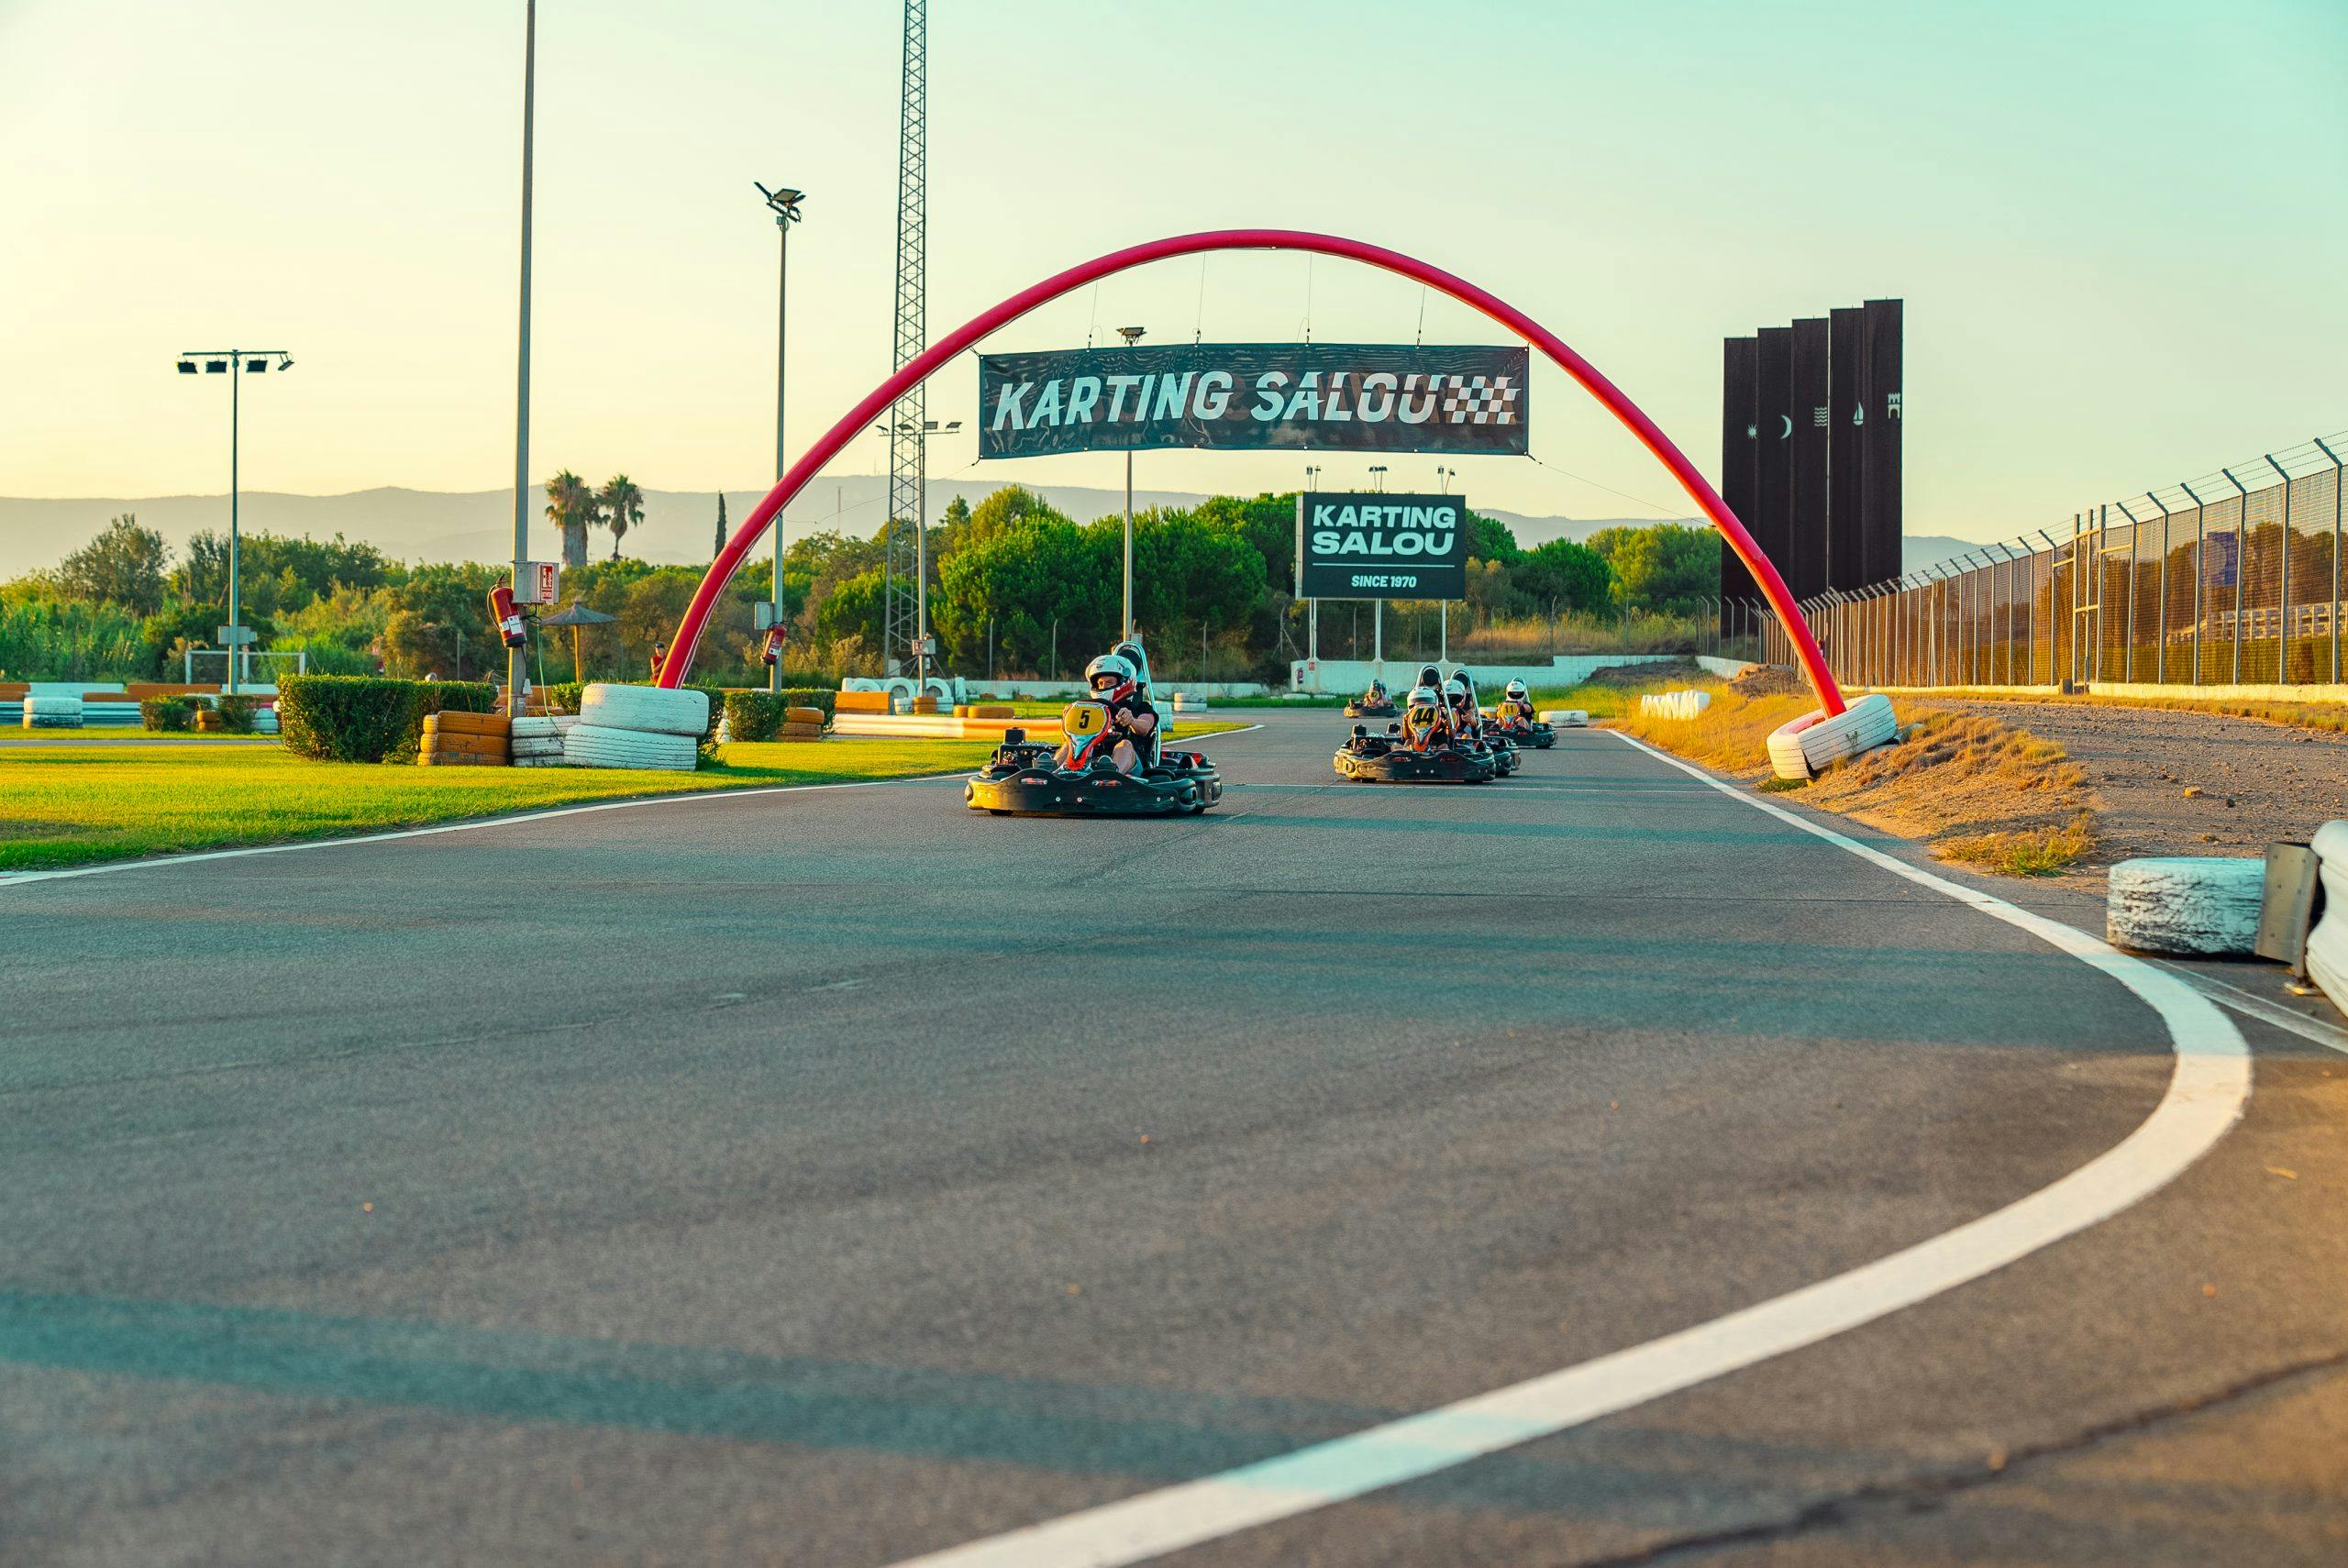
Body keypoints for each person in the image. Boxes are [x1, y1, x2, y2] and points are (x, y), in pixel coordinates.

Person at [1079, 649, 1159, 772]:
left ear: (1123, 682)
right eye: (1100, 683)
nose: (1103, 687)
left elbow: (1145, 727)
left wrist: (1132, 721)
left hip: (1131, 766)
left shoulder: (1140, 707)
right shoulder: (1091, 708)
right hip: (1091, 759)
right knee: (1070, 746)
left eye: (1109, 682)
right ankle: (1057, 774)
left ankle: (1111, 775)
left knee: (1124, 744)